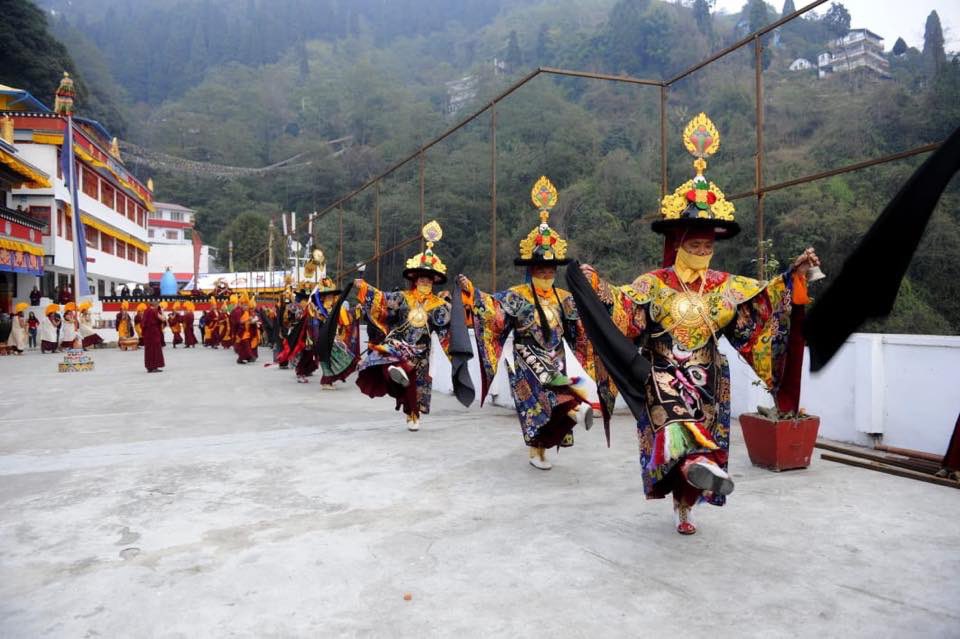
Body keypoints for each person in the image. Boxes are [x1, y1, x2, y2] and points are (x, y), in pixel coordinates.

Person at [572, 113, 818, 535]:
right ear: (678, 243)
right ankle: (694, 472)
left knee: (700, 438)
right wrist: (593, 284)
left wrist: (795, 275)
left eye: (708, 244)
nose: (702, 249)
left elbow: (763, 301)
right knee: (673, 426)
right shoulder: (655, 283)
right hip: (661, 373)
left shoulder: (725, 285)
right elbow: (623, 309)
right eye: (694, 243)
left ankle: (687, 506)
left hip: (709, 377)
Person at [457, 177, 597, 470]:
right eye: (540, 269)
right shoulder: (517, 296)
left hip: (555, 356)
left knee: (557, 395)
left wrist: (598, 299)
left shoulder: (564, 298)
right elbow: (492, 310)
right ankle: (552, 433)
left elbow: (580, 329)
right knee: (542, 398)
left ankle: (549, 440)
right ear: (531, 269)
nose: (546, 274)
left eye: (550, 269)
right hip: (526, 356)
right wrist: (473, 294)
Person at [355, 221, 453, 431]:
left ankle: (413, 414)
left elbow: (447, 327)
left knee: (417, 385)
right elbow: (382, 302)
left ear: (434, 281)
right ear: (415, 279)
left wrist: (463, 303)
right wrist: (365, 289)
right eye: (421, 278)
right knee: (386, 359)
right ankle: (393, 373)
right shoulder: (402, 297)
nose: (425, 281)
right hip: (400, 344)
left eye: (429, 279)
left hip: (422, 350)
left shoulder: (439, 304)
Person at [230, 293, 259, 364]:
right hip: (242, 332)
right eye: (245, 305)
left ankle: (241, 359)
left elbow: (249, 319)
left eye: (247, 305)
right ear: (241, 304)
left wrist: (253, 321)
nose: (246, 307)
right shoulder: (239, 311)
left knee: (244, 346)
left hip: (247, 331)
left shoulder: (247, 312)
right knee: (246, 345)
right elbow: (238, 322)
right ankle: (250, 356)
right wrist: (247, 320)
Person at [142, 300, 165, 372]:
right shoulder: (154, 311)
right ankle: (154, 367)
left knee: (148, 350)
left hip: (147, 334)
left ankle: (149, 367)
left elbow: (143, 323)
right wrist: (162, 311)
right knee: (155, 349)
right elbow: (163, 319)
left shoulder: (146, 311)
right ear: (156, 305)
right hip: (154, 333)